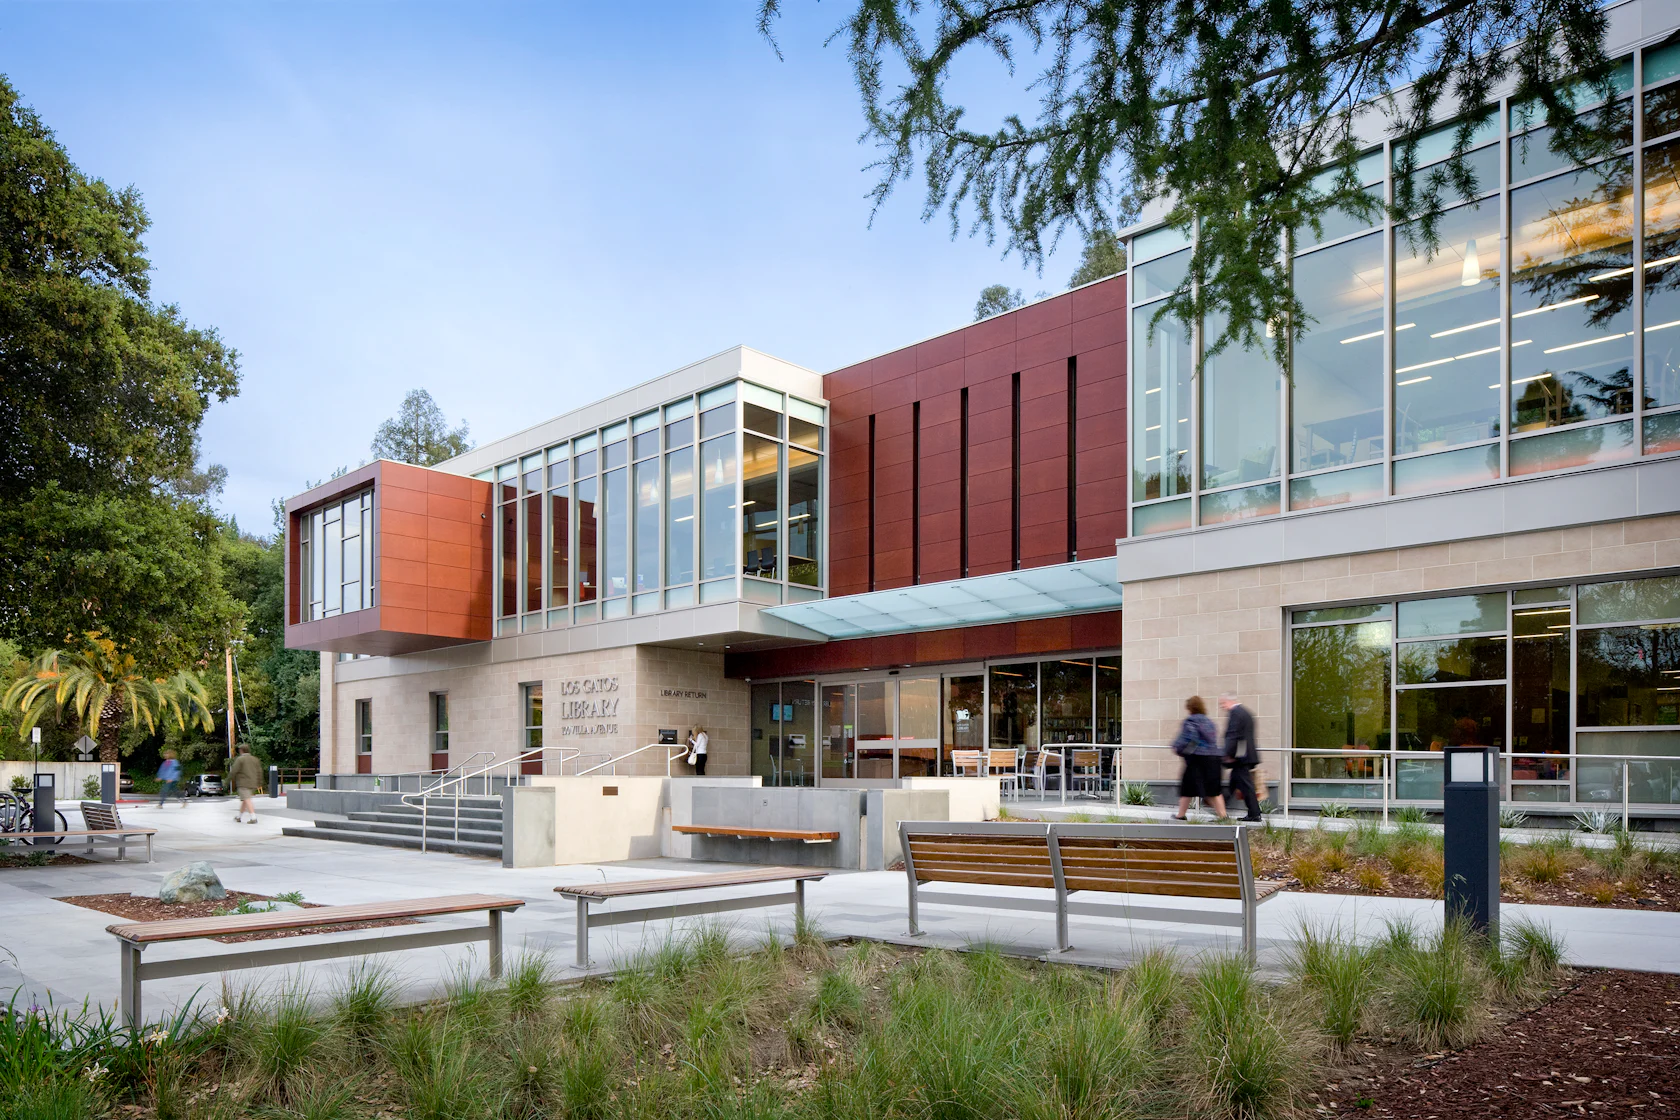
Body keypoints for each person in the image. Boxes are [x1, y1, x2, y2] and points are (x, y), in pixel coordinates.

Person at [1171, 696, 1226, 820]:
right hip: (1214, 758)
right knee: (1214, 789)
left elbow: (1189, 739)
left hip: (1197, 759)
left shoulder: (1190, 721)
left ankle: (1181, 815)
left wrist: (1177, 748)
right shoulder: (1210, 722)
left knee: (1187, 787)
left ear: (1190, 708)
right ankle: (1223, 816)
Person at [1220, 694, 1264, 822]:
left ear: (1229, 701)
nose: (1222, 707)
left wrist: (1227, 753)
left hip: (1241, 758)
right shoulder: (1246, 713)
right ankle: (1220, 808)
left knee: (1246, 785)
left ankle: (1254, 813)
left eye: (1223, 703)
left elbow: (1233, 735)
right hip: (1244, 756)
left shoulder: (1236, 713)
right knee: (1234, 783)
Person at [228, 745, 263, 824]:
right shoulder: (255, 759)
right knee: (245, 800)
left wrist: (227, 780)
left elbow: (234, 771)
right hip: (253, 783)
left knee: (247, 799)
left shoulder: (240, 759)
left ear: (241, 750)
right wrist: (260, 783)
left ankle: (253, 817)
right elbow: (259, 772)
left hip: (243, 783)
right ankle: (239, 817)